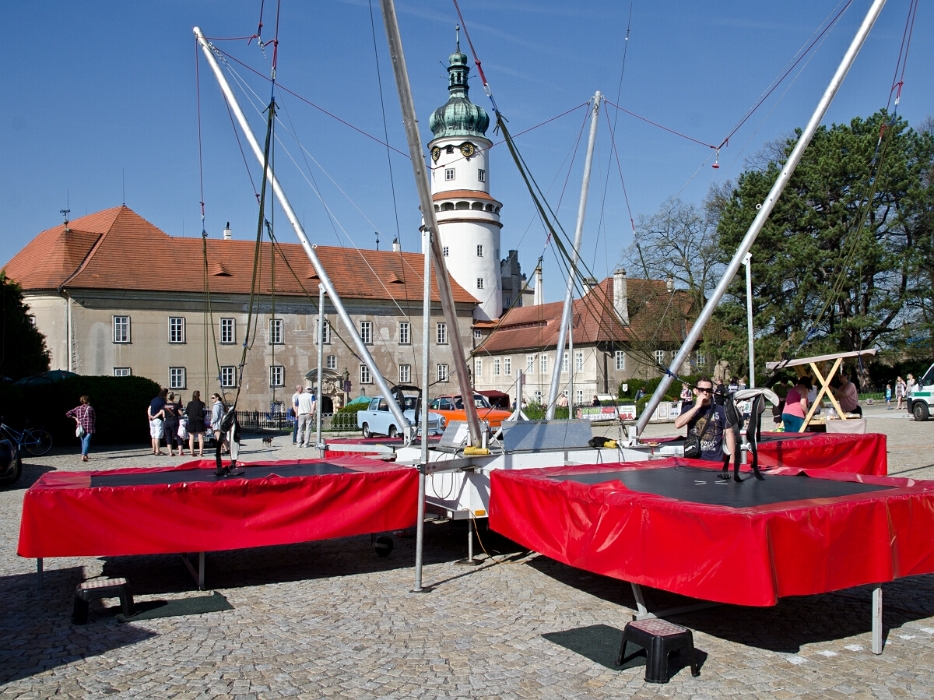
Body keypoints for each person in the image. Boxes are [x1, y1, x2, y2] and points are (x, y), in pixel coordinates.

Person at [674, 376, 736, 462]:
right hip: (693, 459)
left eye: (708, 390)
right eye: (701, 389)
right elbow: (678, 424)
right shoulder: (688, 408)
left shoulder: (721, 410)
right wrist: (697, 407)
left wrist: (732, 460)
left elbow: (729, 434)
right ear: (695, 391)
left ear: (712, 391)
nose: (705, 392)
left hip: (715, 460)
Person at [66, 395, 96, 462]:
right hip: (89, 426)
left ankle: (85, 454)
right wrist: (93, 425)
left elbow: (68, 413)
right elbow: (94, 418)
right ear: (88, 401)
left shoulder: (77, 408)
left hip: (80, 427)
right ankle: (83, 455)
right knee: (87, 441)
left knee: (83, 441)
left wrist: (75, 418)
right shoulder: (90, 408)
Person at [186, 390, 207, 457]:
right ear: (199, 395)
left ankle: (192, 452)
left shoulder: (190, 404)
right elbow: (205, 413)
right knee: (200, 438)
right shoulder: (202, 404)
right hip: (200, 421)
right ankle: (201, 452)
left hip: (192, 421)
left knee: (191, 437)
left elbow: (187, 412)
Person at [148, 388, 168, 455]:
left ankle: (153, 449)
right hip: (158, 419)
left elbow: (149, 408)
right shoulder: (163, 401)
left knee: (153, 435)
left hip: (151, 419)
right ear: (165, 394)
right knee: (157, 436)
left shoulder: (153, 399)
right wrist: (155, 417)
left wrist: (150, 416)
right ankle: (157, 451)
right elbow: (161, 411)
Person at [163, 392, 182, 457]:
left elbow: (163, 415)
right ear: (173, 398)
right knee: (178, 436)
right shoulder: (176, 405)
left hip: (167, 422)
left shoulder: (164, 406)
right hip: (174, 421)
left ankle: (170, 452)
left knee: (168, 437)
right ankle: (180, 452)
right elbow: (181, 413)